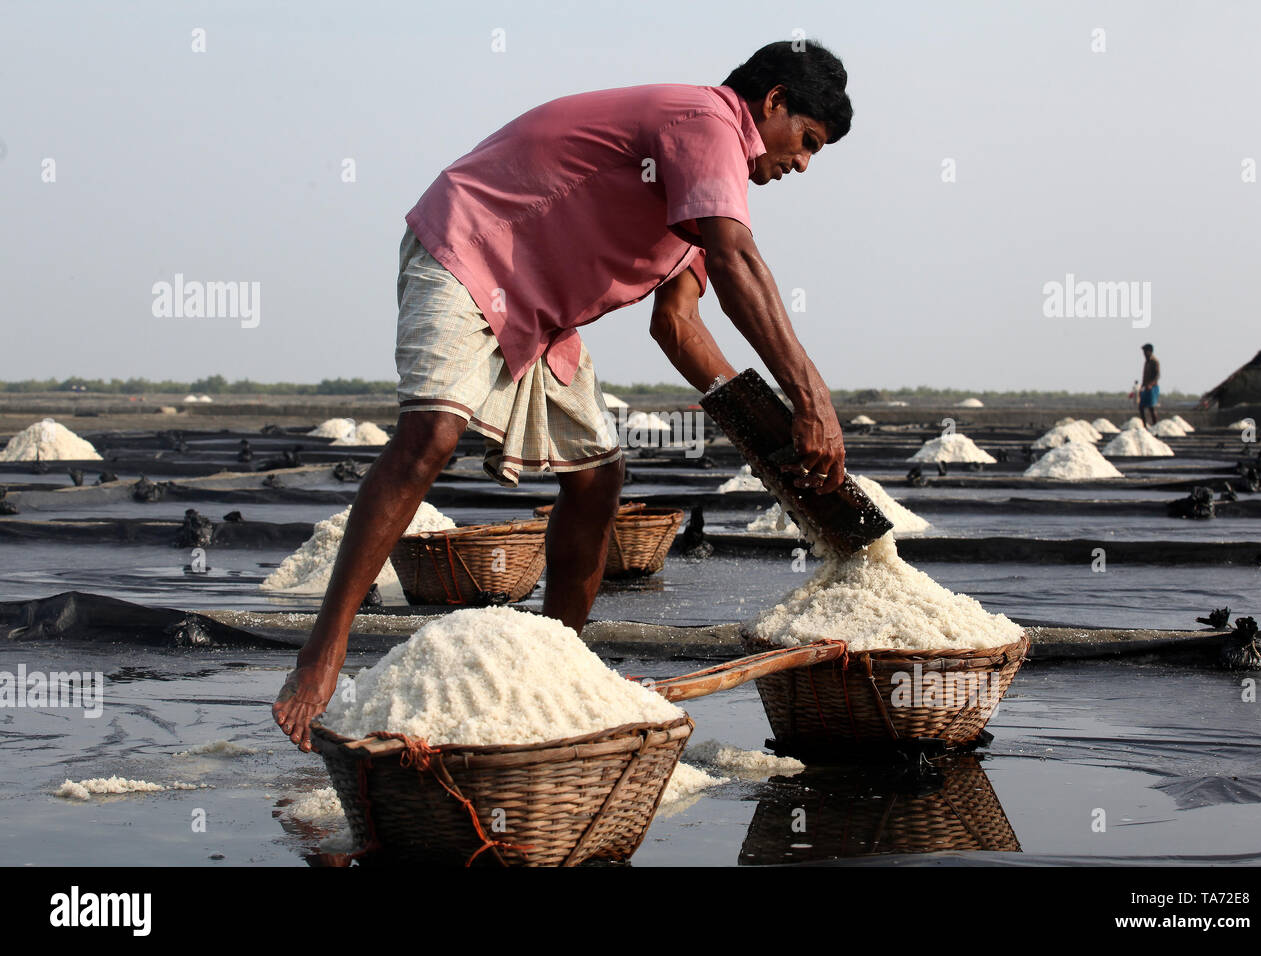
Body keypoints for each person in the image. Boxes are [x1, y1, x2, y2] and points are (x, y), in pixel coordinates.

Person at [273, 41, 853, 751]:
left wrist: (766, 432)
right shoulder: (705, 121)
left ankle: (557, 664)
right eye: (807, 142)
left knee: (598, 477)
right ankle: (322, 654)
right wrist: (813, 401)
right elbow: (738, 264)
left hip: (542, 313)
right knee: (432, 435)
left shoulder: (706, 198)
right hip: (473, 248)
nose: (799, 164)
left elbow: (678, 327)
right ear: (773, 103)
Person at [1139, 343, 1160, 426]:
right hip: (1145, 387)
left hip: (1153, 388)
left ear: (1150, 351)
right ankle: (1145, 426)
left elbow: (1157, 376)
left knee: (1151, 408)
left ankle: (1155, 426)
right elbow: (1144, 376)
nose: (1144, 354)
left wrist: (1151, 385)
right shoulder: (1146, 362)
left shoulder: (1154, 361)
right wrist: (1142, 386)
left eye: (1145, 351)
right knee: (1141, 407)